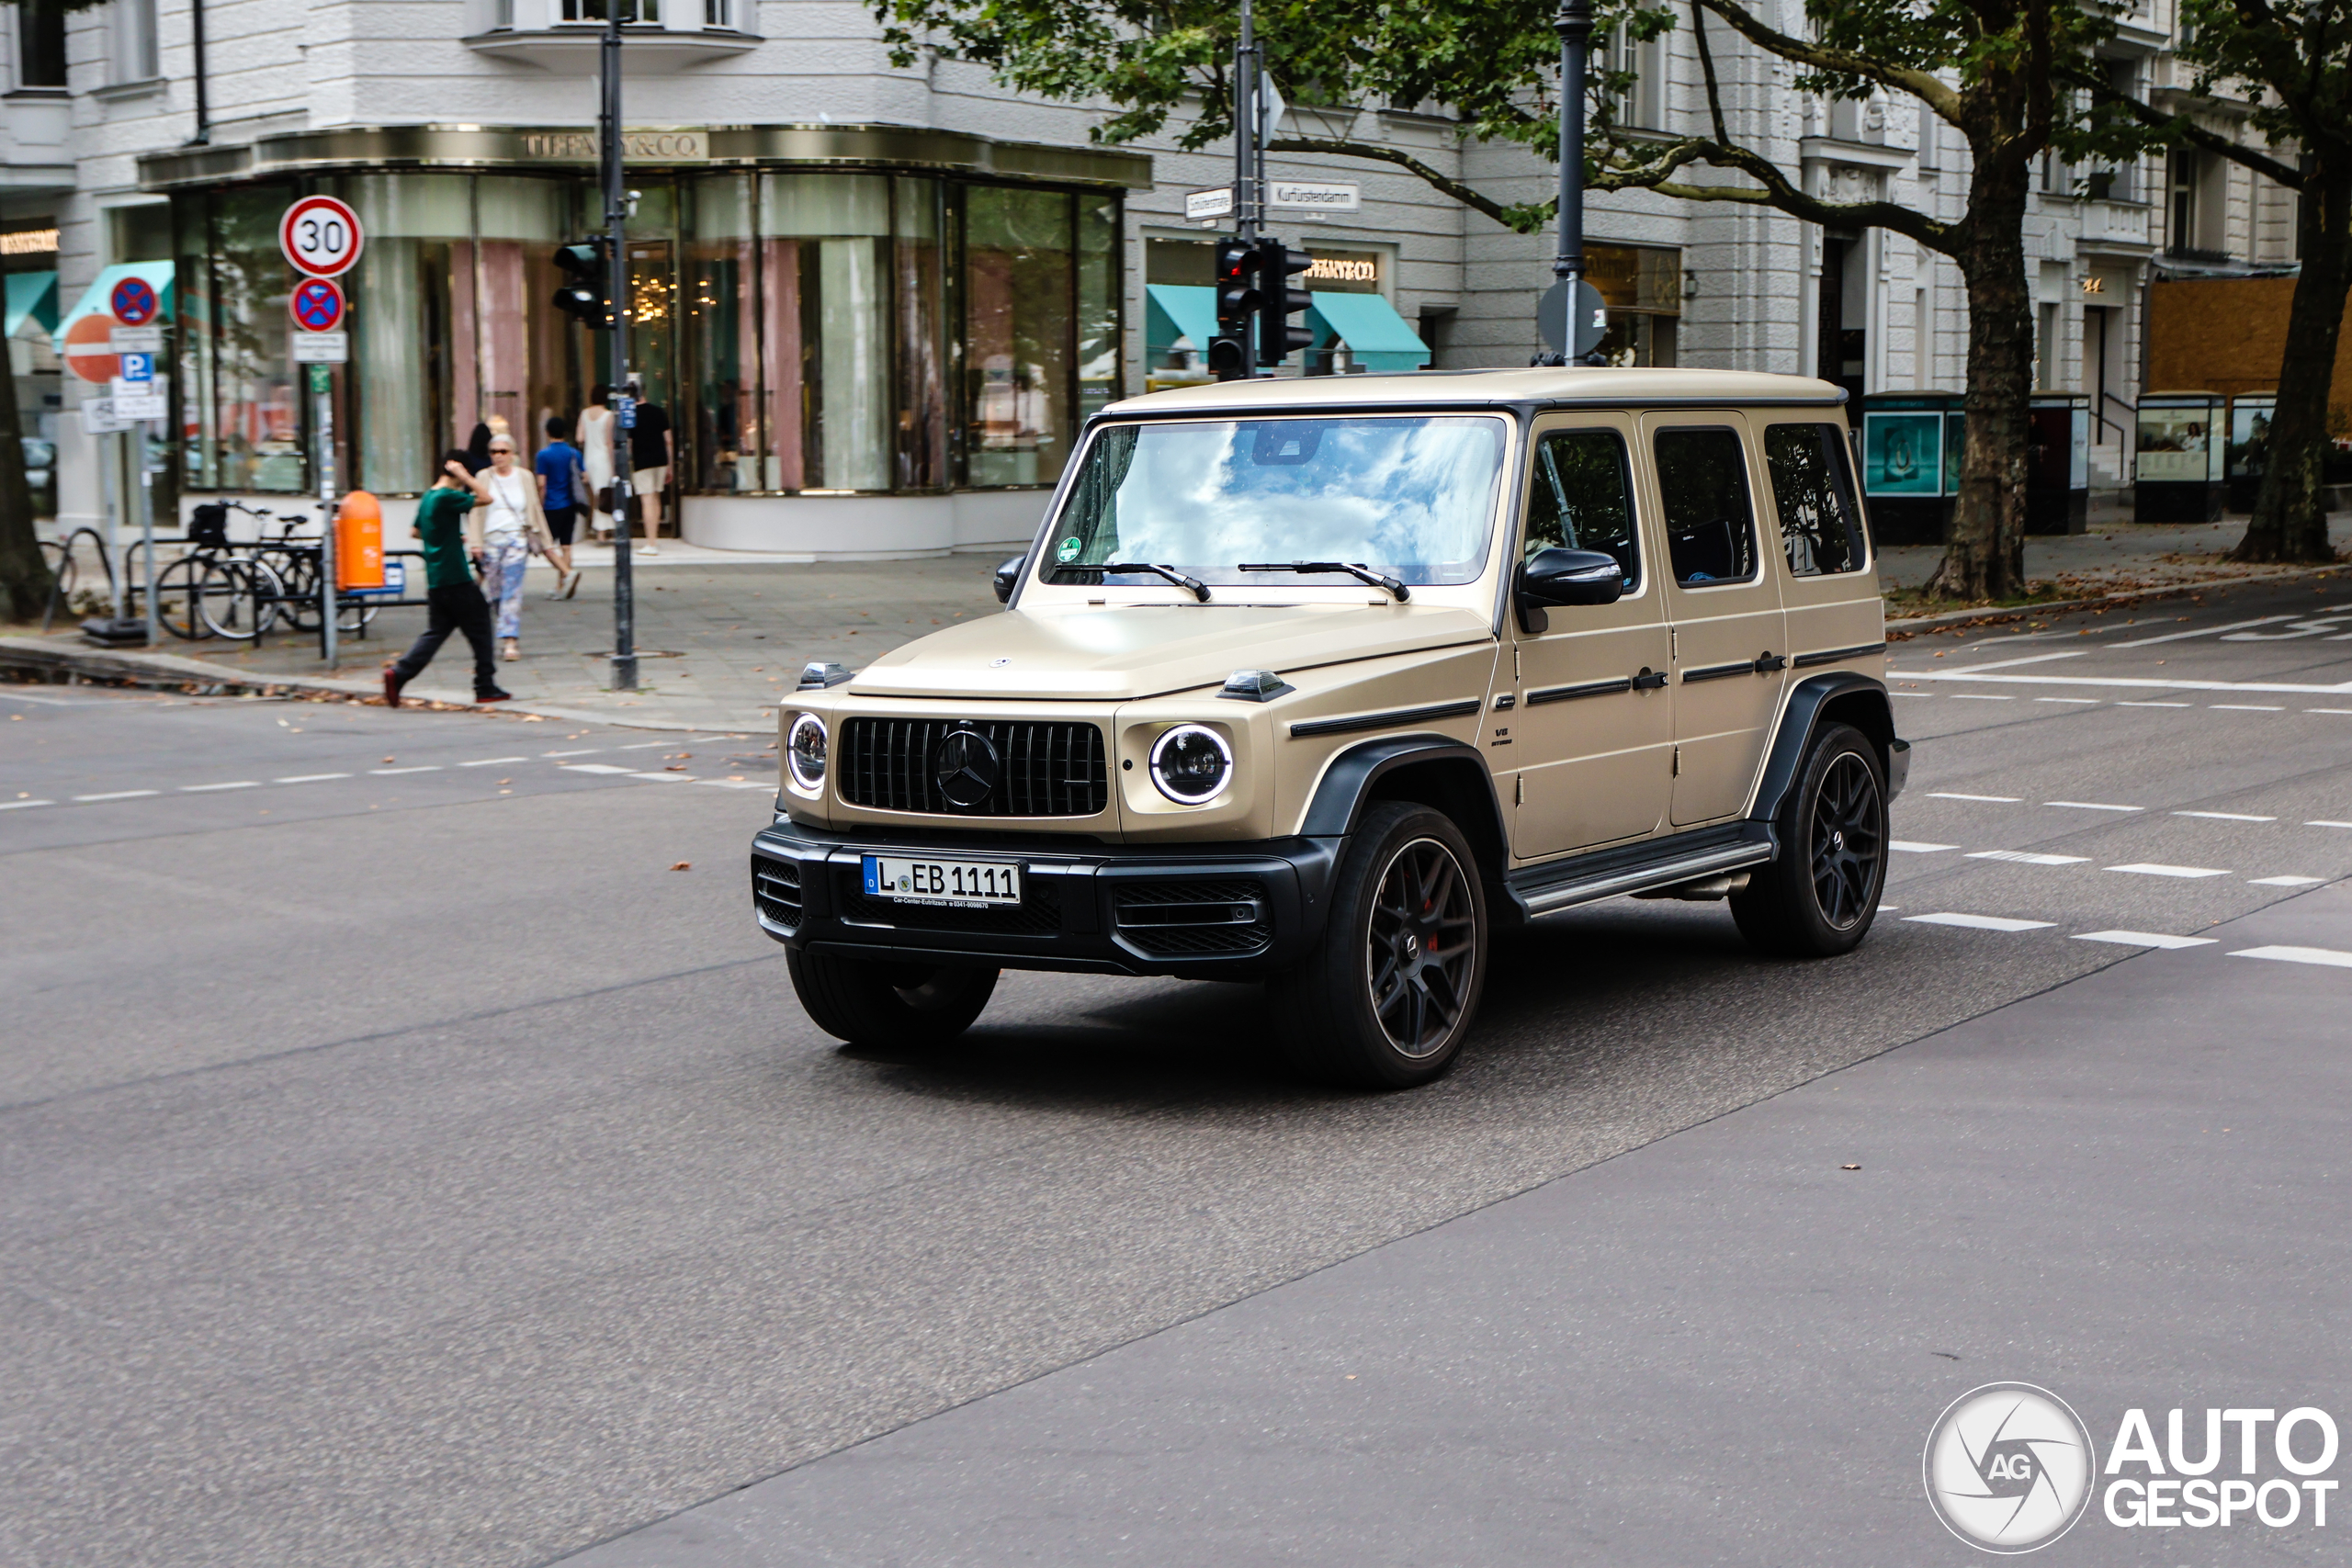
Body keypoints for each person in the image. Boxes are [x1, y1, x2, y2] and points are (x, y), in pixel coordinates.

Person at [384, 453, 511, 707]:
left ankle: (399, 674)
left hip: (436, 579)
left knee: (436, 633)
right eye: (465, 475)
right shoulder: (446, 495)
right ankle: (485, 685)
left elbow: (416, 531)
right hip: (456, 578)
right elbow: (486, 498)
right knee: (482, 627)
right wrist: (466, 476)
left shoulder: (429, 496)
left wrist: (448, 537)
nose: (465, 481)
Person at [478, 431, 559, 661]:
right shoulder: (483, 476)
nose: (498, 456)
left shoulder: (524, 476)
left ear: (512, 454)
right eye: (494, 452)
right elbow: (476, 512)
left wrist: (546, 541)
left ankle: (510, 641)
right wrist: (475, 542)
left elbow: (534, 508)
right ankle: (506, 626)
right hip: (491, 539)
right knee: (495, 593)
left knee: (511, 590)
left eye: (503, 452)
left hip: (516, 538)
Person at [534, 415, 585, 599]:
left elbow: (542, 483)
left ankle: (567, 574)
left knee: (546, 546)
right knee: (566, 547)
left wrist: (539, 504)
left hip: (551, 506)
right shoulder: (574, 454)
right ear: (565, 433)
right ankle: (560, 586)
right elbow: (584, 477)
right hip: (570, 505)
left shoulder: (543, 455)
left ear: (547, 433)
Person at [627, 378, 673, 556]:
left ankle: (651, 542)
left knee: (646, 500)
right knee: (656, 498)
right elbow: (668, 440)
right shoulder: (658, 412)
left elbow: (630, 444)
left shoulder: (631, 416)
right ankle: (655, 538)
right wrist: (670, 465)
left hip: (642, 461)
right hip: (660, 460)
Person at [577, 386, 616, 541]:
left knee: (596, 494)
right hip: (603, 458)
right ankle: (601, 533)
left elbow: (580, 437)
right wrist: (614, 466)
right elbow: (609, 442)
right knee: (603, 494)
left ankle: (598, 529)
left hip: (589, 457)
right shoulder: (608, 415)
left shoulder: (584, 413)